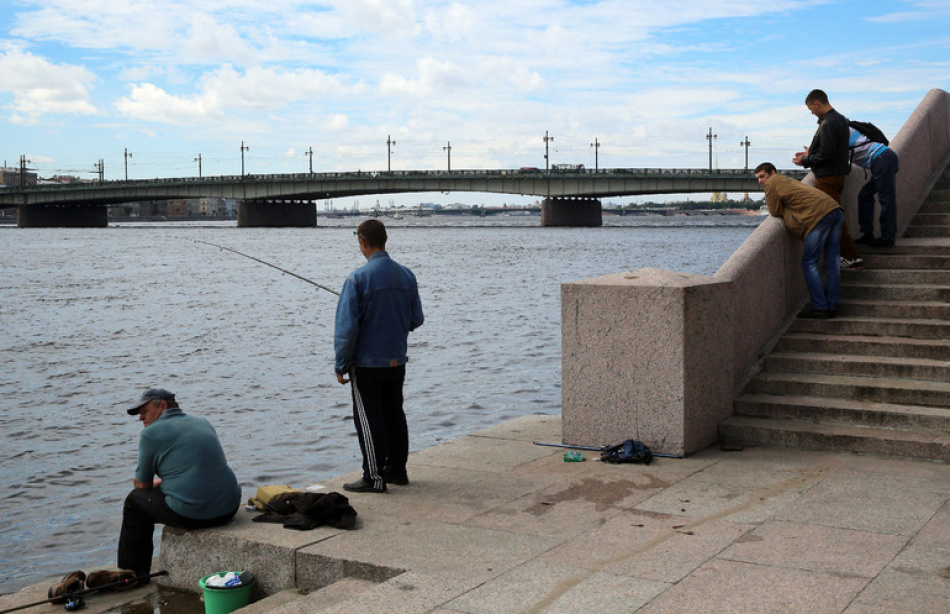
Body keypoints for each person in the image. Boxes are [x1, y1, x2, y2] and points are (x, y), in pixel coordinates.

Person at [334, 219, 424, 493]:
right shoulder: (407, 275)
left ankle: (373, 477)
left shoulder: (357, 279)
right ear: (385, 240)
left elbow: (347, 329)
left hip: (367, 364)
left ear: (362, 242)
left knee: (368, 419)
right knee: (394, 413)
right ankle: (397, 470)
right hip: (397, 360)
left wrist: (340, 364)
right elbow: (416, 319)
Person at [118, 388, 241, 579]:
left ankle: (132, 574)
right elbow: (194, 470)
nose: (141, 418)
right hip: (229, 508)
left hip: (195, 514)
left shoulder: (150, 434)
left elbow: (142, 485)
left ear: (163, 406)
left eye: (144, 411)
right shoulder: (202, 422)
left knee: (135, 502)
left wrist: (152, 482)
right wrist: (165, 481)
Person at [755, 162, 844, 319]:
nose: (761, 181)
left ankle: (820, 307)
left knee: (809, 263)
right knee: (832, 263)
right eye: (758, 178)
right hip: (834, 210)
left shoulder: (772, 182)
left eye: (762, 176)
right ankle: (832, 305)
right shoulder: (788, 181)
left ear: (772, 173)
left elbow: (775, 211)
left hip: (819, 216)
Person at [792, 89, 863, 269]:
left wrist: (805, 160)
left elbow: (827, 154)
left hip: (828, 178)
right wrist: (811, 153)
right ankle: (848, 256)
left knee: (833, 217)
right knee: (834, 216)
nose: (812, 113)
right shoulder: (839, 119)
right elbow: (831, 149)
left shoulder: (829, 123)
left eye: (811, 109)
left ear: (817, 104)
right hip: (836, 174)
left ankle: (851, 257)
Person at [850, 126, 899, 247]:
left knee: (886, 199)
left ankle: (888, 238)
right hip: (882, 159)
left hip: (882, 159)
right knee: (865, 195)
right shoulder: (844, 129)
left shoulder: (840, 131)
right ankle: (867, 234)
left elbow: (832, 155)